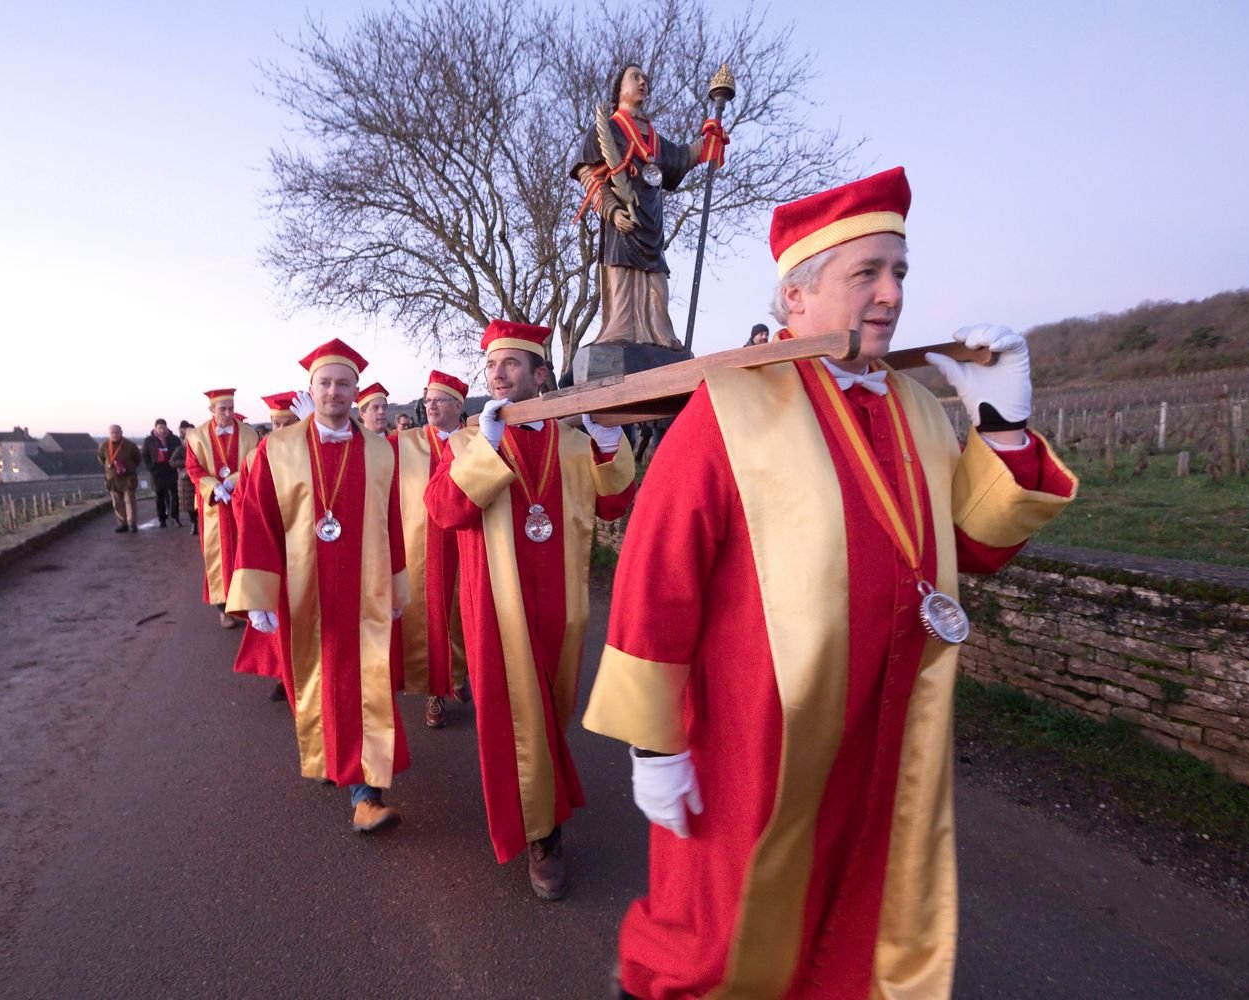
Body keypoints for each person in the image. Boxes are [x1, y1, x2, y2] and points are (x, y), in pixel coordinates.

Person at [581, 166, 1079, 999]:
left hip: (885, 729)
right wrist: (654, 745)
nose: (891, 294)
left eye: (900, 273)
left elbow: (965, 550)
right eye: (867, 274)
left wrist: (1005, 428)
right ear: (798, 297)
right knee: (716, 940)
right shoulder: (732, 406)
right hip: (755, 745)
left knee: (853, 922)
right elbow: (656, 578)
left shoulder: (918, 408)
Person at [426, 320, 637, 899]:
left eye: (513, 364)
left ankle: (542, 803)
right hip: (496, 606)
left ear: (541, 375)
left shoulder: (572, 441)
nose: (499, 373)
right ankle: (544, 835)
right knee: (517, 718)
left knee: (548, 714)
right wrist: (487, 447)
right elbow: (445, 511)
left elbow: (614, 505)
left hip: (563, 607)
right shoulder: (470, 441)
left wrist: (607, 441)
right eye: (492, 365)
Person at [228, 339, 410, 833]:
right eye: (325, 383)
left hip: (363, 589)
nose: (334, 391)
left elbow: (392, 519)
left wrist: (396, 587)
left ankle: (365, 793)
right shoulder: (277, 449)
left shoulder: (378, 451)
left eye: (343, 384)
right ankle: (338, 758)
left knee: (362, 682)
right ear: (311, 389)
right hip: (302, 590)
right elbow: (257, 520)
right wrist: (258, 595)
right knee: (317, 680)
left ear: (355, 392)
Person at [570, 63, 727, 348]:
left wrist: (708, 142)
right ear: (620, 88)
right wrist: (612, 210)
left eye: (645, 78)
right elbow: (589, 175)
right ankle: (620, 333)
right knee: (622, 281)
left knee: (657, 285)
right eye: (635, 77)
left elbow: (680, 157)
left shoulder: (653, 137)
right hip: (622, 223)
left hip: (652, 220)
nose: (643, 81)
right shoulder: (606, 129)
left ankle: (659, 337)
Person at [395, 370, 472, 729]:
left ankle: (463, 675)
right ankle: (434, 692)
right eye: (427, 401)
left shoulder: (477, 440)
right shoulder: (406, 442)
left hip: (469, 541)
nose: (430, 406)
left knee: (469, 612)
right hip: (422, 543)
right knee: (430, 616)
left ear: (458, 406)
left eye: (438, 400)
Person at [233, 391, 313, 702]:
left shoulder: (310, 451)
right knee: (278, 617)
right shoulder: (258, 456)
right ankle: (284, 672)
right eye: (276, 425)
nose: (282, 431)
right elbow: (245, 503)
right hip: (273, 546)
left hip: (306, 544)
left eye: (289, 423)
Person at [185, 389, 261, 629]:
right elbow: (193, 468)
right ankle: (223, 609)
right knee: (218, 558)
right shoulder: (196, 437)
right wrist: (214, 486)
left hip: (241, 501)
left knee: (245, 552)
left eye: (231, 408)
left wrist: (234, 480)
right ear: (211, 410)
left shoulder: (249, 434)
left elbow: (254, 463)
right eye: (223, 409)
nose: (228, 413)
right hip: (214, 508)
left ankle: (248, 605)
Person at [96, 425, 142, 533]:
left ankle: (132, 523)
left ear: (121, 432)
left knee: (129, 501)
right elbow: (101, 458)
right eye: (112, 433)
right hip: (113, 479)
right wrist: (109, 466)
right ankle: (122, 523)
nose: (115, 435)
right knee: (117, 502)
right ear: (109, 434)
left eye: (117, 432)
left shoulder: (130, 445)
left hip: (128, 478)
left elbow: (138, 459)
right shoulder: (104, 446)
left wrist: (128, 467)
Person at [140, 418, 183, 527]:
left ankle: (175, 517)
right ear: (155, 428)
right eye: (160, 428)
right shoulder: (149, 440)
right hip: (157, 472)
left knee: (175, 495)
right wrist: (150, 467)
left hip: (172, 470)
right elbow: (144, 456)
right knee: (159, 496)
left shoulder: (174, 439)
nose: (162, 430)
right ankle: (162, 519)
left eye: (164, 428)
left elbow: (180, 452)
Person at [172, 421, 198, 535]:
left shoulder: (201, 447)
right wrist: (187, 462)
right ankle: (194, 523)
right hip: (187, 479)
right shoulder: (180, 449)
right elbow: (172, 462)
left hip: (199, 478)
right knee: (190, 504)